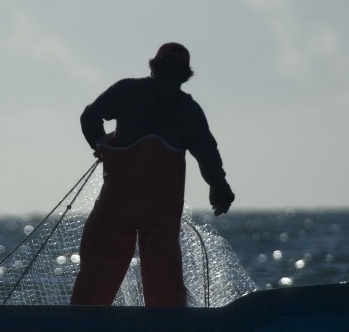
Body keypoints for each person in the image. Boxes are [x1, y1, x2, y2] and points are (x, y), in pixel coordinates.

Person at [70, 42, 235, 307]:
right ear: (185, 75)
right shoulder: (188, 110)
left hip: (117, 205)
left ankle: (80, 330)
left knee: (98, 273)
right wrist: (220, 188)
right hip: (161, 212)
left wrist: (101, 146)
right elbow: (208, 154)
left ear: (154, 67)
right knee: (164, 282)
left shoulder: (127, 90)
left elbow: (89, 117)